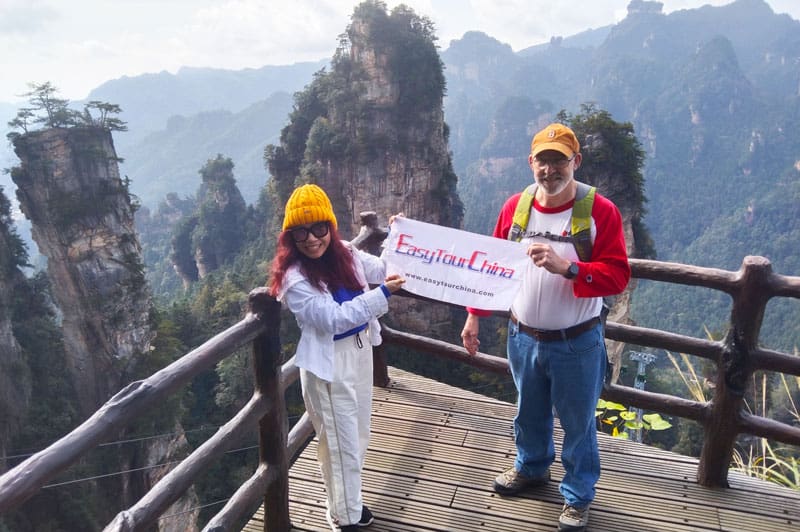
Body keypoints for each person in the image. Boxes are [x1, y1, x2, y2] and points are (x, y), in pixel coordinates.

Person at [460, 123, 630, 532]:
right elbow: (492, 266)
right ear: (530, 162)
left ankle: (577, 496)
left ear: (576, 161)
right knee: (529, 411)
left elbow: (618, 276)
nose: (550, 170)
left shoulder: (599, 211)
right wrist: (474, 313)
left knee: (578, 423)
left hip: (577, 341)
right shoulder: (516, 207)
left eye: (559, 161)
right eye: (543, 160)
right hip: (522, 336)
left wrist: (569, 267)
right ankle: (531, 467)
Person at [269, 183, 405, 532]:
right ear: (290, 237)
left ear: (330, 226)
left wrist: (400, 236)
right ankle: (345, 517)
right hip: (329, 365)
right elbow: (333, 319)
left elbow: (383, 268)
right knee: (340, 441)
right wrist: (382, 295)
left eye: (319, 228)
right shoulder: (294, 278)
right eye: (301, 232)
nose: (312, 239)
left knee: (356, 434)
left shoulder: (344, 251)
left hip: (359, 352)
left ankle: (347, 504)